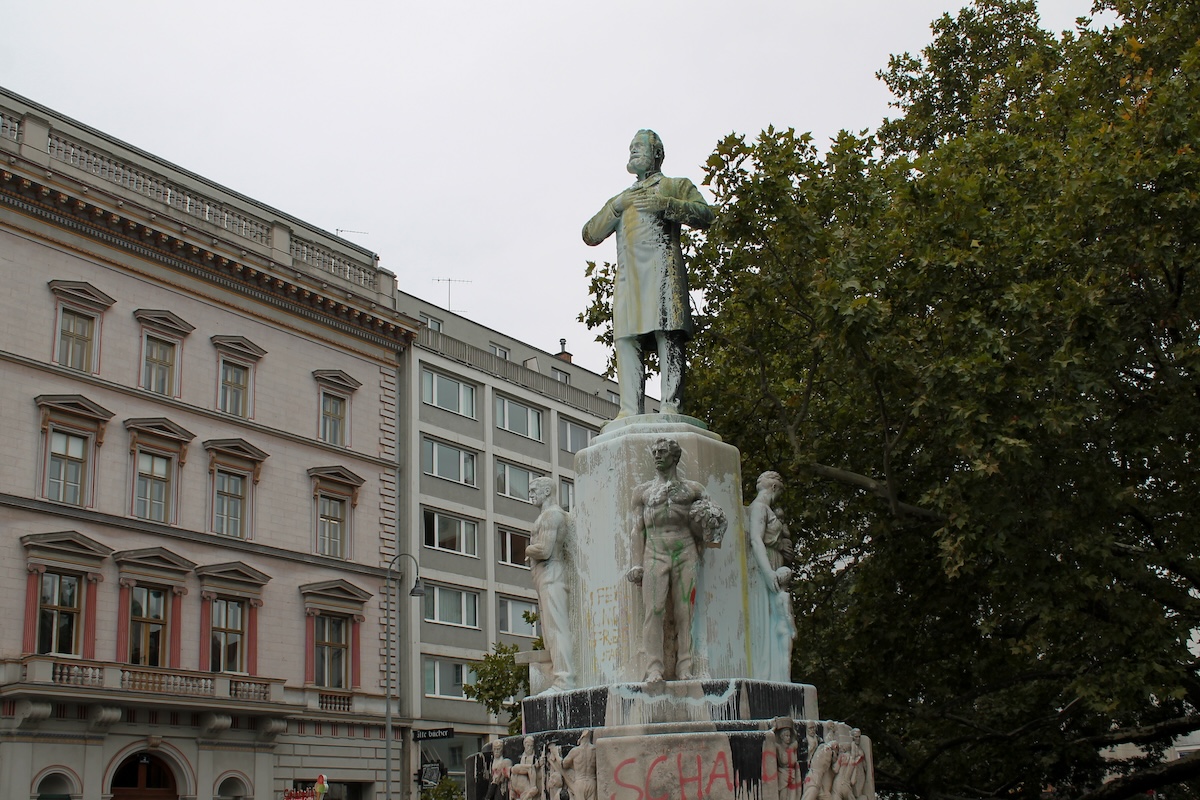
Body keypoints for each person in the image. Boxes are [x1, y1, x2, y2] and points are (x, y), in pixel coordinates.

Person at [583, 130, 714, 417]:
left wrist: (667, 206)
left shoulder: (674, 185)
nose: (632, 151)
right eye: (630, 147)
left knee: (668, 332)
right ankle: (629, 410)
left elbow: (706, 215)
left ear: (656, 153)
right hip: (629, 278)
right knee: (626, 338)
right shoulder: (621, 199)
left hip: (663, 272)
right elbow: (590, 234)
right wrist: (616, 206)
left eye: (638, 147)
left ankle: (671, 406)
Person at [626, 437, 721, 682]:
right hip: (655, 552)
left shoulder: (693, 489)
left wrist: (708, 530)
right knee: (654, 610)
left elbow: (712, 521)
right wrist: (636, 563)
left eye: (663, 452)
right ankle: (654, 668)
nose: (657, 455)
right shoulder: (643, 492)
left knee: (684, 611)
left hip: (685, 550)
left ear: (674, 456)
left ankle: (684, 667)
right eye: (655, 451)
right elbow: (637, 529)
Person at [527, 476, 575, 691]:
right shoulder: (549, 516)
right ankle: (561, 676)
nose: (530, 494)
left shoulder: (551, 515)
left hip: (552, 574)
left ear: (547, 491)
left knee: (557, 629)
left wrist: (527, 549)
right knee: (550, 631)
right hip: (546, 576)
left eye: (534, 489)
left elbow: (544, 550)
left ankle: (564, 679)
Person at [746, 471, 794, 680]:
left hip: (773, 562)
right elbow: (756, 541)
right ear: (774, 488)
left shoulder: (766, 509)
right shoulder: (759, 508)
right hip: (764, 566)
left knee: (775, 618)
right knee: (766, 618)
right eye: (779, 493)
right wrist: (768, 573)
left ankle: (777, 674)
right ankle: (767, 674)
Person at [562, 730, 596, 800]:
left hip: (579, 782)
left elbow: (564, 764)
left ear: (580, 739)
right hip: (592, 781)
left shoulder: (575, 751)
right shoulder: (595, 750)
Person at [509, 736, 540, 800]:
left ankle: (533, 787)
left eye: (531, 746)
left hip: (526, 782)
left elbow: (536, 764)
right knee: (515, 769)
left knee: (530, 767)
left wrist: (538, 764)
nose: (530, 748)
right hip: (519, 776)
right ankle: (533, 788)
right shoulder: (521, 756)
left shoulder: (535, 756)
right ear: (524, 745)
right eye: (528, 745)